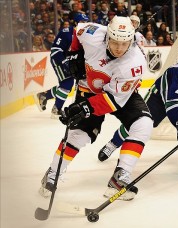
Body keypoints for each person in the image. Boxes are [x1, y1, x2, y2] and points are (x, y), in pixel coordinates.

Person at [38, 16, 153, 201]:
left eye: (124, 43)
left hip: (119, 95)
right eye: (115, 42)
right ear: (107, 36)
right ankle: (53, 173)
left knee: (144, 124)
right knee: (79, 135)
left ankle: (120, 177)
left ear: (131, 41)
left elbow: (113, 101)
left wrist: (83, 108)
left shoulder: (135, 63)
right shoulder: (93, 33)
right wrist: (74, 54)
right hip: (88, 89)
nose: (119, 48)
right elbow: (77, 30)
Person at [34, 13, 89, 118]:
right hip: (59, 60)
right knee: (67, 84)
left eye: (86, 22)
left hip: (72, 62)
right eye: (82, 22)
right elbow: (56, 50)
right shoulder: (66, 33)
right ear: (76, 23)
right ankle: (57, 109)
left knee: (66, 85)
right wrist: (64, 62)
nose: (85, 24)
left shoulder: (85, 35)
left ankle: (44, 95)